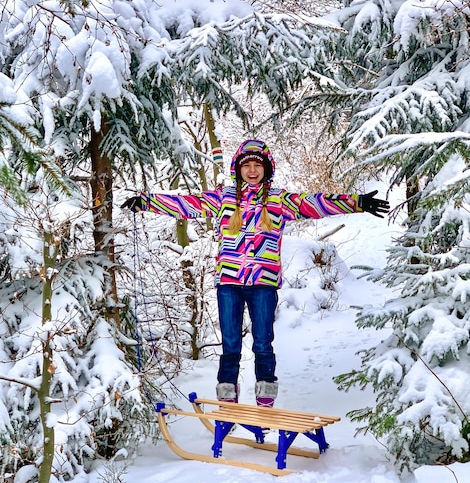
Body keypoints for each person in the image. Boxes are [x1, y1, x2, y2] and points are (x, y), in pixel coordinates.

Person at [121, 139, 389, 407]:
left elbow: (315, 203)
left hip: (263, 283)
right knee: (231, 345)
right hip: (229, 283)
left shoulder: (279, 201)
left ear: (266, 169)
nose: (251, 170)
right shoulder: (223, 198)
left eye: (257, 165)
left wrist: (357, 202)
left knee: (262, 343)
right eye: (246, 165)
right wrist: (146, 202)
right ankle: (227, 401)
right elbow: (186, 204)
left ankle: (265, 400)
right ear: (237, 169)